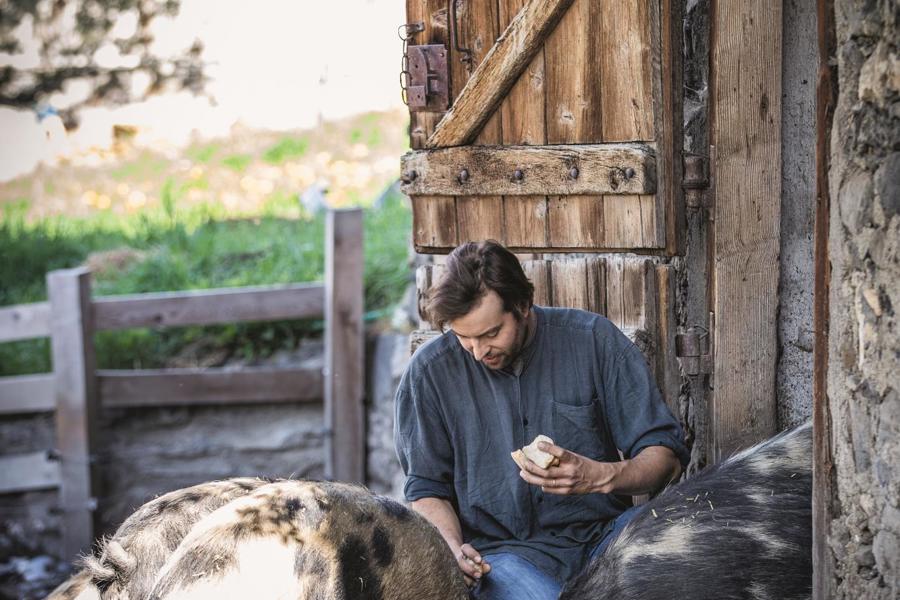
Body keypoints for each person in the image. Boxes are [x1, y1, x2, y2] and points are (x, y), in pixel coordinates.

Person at [394, 241, 690, 600]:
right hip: (503, 556)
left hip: (606, 537)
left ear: (523, 305)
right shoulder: (428, 374)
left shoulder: (593, 341)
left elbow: (665, 458)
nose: (478, 351)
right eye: (463, 338)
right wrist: (453, 549)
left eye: (490, 334)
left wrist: (598, 476)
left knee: (687, 553)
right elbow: (426, 489)